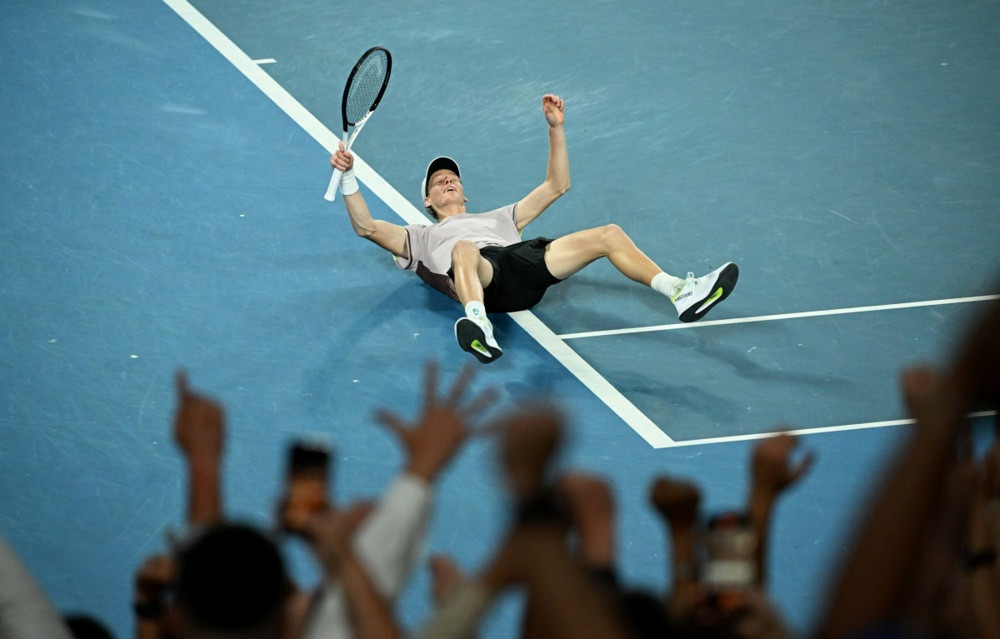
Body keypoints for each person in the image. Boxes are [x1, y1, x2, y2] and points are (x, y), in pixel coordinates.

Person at [329, 93, 740, 363]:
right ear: (427, 201)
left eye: (452, 177)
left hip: (522, 270)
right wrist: (348, 177)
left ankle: (679, 292)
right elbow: (366, 227)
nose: (448, 180)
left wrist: (555, 129)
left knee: (609, 234)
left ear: (465, 193)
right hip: (482, 279)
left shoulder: (501, 218)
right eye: (438, 181)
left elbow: (556, 186)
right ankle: (479, 325)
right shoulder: (419, 237)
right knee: (464, 249)